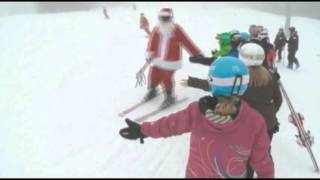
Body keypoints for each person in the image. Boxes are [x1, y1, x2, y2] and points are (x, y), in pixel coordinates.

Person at [120, 56, 274, 178]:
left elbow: (169, 125)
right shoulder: (255, 121)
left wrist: (142, 130)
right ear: (244, 85)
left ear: (213, 83)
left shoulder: (197, 112)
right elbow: (262, 162)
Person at [139, 8, 202, 108]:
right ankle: (152, 89)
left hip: (171, 60)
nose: (164, 20)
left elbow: (186, 42)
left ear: (170, 18)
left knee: (166, 77)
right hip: (157, 58)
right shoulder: (157, 29)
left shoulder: (176, 30)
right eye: (162, 18)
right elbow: (152, 43)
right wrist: (150, 54)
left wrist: (196, 53)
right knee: (153, 73)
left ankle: (170, 96)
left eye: (166, 18)